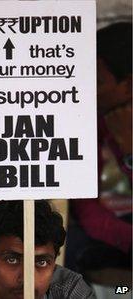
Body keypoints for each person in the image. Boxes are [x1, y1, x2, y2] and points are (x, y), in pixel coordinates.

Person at [66, 22, 132, 275]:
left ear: (128, 85)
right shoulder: (100, 119)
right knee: (62, 247)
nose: (84, 90)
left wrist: (130, 151)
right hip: (123, 231)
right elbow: (87, 207)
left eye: (95, 80)